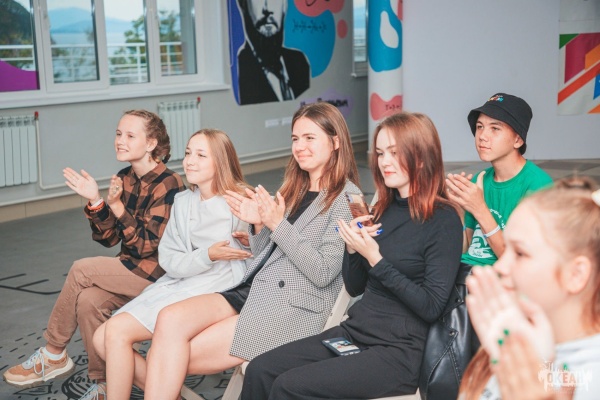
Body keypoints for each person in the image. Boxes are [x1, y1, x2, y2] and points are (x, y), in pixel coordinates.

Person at [135, 101, 359, 399]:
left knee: (165, 356)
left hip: (292, 310)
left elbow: (323, 272)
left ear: (335, 142)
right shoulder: (296, 187)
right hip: (257, 292)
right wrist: (258, 226)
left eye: (309, 138)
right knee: (168, 319)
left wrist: (276, 224)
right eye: (295, 138)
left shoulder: (347, 199)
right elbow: (271, 253)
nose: (300, 146)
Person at [241, 111, 464, 399]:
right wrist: (352, 248)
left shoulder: (443, 220)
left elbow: (431, 306)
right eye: (380, 153)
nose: (384, 162)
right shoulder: (383, 209)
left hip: (399, 351)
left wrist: (375, 258)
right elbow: (356, 286)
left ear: (421, 157)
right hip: (355, 332)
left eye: (394, 153)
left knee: (289, 386)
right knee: (260, 369)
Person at [2, 110, 185, 399]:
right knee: (88, 301)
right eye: (118, 134)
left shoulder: (169, 183)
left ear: (151, 143)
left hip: (158, 275)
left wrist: (117, 207)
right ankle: (105, 383)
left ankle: (53, 352)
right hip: (128, 268)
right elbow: (109, 239)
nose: (120, 141)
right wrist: (96, 201)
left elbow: (147, 246)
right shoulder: (124, 178)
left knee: (81, 269)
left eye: (130, 135)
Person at [91, 129, 253, 399]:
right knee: (101, 339)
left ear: (221, 162)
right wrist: (207, 255)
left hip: (219, 289)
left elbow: (261, 254)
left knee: (115, 332)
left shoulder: (240, 200)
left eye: (201, 155)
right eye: (188, 153)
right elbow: (169, 260)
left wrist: (251, 240)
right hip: (180, 283)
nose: (190, 161)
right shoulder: (183, 201)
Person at [459, 177, 600, 400]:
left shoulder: (592, 378)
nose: (501, 266)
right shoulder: (511, 344)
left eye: (520, 253)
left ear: (576, 274)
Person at [447, 92, 553, 265]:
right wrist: (458, 212)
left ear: (518, 139)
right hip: (466, 273)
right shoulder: (480, 180)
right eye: (480, 126)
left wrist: (480, 208)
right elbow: (467, 249)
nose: (482, 136)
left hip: (500, 279)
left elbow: (519, 261)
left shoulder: (539, 186)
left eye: (495, 128)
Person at [236, 0, 310, 105]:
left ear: (284, 5)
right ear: (242, 4)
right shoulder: (239, 69)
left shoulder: (299, 62)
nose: (268, 9)